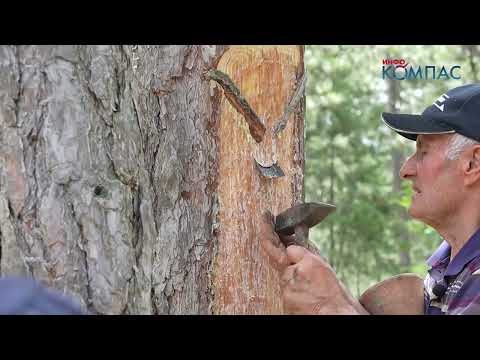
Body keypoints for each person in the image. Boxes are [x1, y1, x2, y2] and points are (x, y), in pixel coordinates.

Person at [260, 83, 480, 315]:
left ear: (472, 163)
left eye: (424, 152)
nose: (405, 169)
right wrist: (331, 291)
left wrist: (331, 306)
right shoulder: (446, 275)